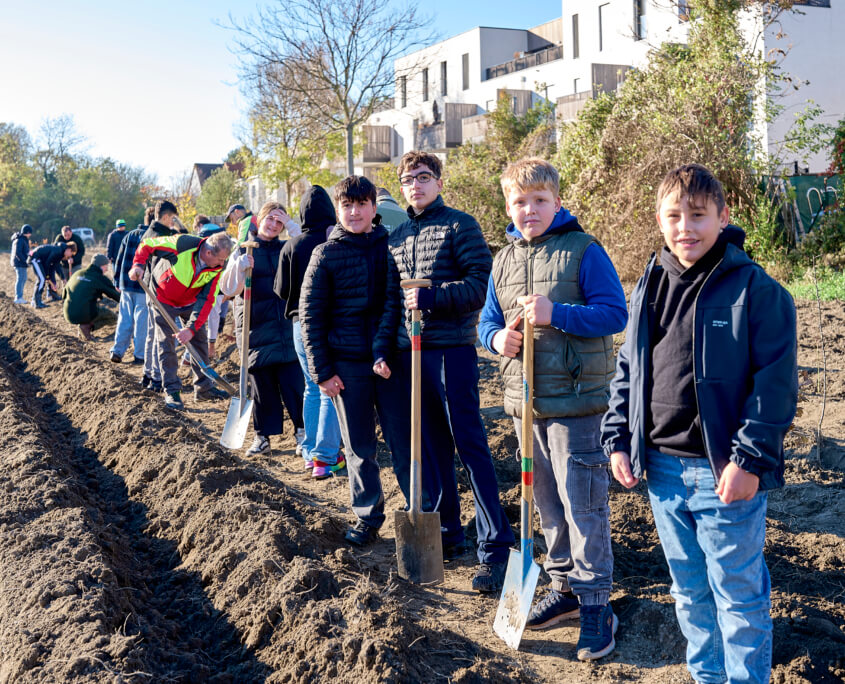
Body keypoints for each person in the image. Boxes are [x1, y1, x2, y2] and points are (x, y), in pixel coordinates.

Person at [602, 164, 798, 683]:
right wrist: (619, 437)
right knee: (688, 591)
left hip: (724, 472)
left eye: (698, 215)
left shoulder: (756, 290)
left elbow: (774, 386)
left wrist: (749, 459)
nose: (685, 227)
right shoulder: (650, 281)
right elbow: (630, 366)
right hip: (661, 472)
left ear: (723, 217)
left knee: (737, 595)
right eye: (674, 216)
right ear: (659, 221)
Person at [478, 158, 628, 660]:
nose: (529, 210)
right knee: (546, 507)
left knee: (584, 508)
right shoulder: (502, 259)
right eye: (519, 202)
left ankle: (596, 606)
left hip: (578, 407)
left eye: (539, 200)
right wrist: (498, 338)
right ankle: (563, 590)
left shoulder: (583, 251)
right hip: (527, 408)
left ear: (557, 202)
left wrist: (555, 313)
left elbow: (614, 312)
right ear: (508, 206)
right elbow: (486, 324)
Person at [379, 150, 514, 592]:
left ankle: (494, 547)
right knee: (433, 449)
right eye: (407, 179)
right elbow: (390, 300)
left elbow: (480, 285)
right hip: (412, 354)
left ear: (438, 181)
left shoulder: (460, 225)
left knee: (470, 445)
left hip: (451, 352)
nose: (414, 185)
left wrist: (433, 295)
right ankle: (449, 532)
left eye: (423, 177)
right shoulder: (395, 236)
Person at [300, 175, 395, 543]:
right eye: (347, 206)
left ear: (374, 207)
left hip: (391, 362)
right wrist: (322, 371)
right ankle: (368, 518)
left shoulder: (391, 246)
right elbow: (310, 317)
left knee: (402, 443)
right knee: (359, 447)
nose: (354, 212)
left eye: (361, 204)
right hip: (347, 366)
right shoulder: (325, 254)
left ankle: (421, 512)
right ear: (338, 211)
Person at [220, 202, 307, 459]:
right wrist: (240, 266)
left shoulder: (286, 249)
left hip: (284, 328)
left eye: (279, 222)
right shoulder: (243, 251)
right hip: (254, 330)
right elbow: (228, 289)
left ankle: (302, 433)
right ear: (259, 220)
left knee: (294, 385)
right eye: (270, 219)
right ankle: (262, 438)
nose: (273, 225)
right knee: (262, 388)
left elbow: (309, 246)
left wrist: (292, 224)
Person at [274, 185, 344, 472]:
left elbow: (280, 290)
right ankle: (325, 457)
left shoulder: (291, 246)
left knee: (311, 388)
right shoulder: (335, 242)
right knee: (331, 386)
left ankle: (309, 451)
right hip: (330, 321)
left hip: (299, 323)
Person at [129, 230, 232, 410]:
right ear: (208, 253)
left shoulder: (217, 267)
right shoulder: (182, 244)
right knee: (166, 343)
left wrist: (190, 329)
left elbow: (207, 299)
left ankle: (203, 388)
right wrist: (138, 265)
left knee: (199, 340)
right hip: (162, 298)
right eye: (220, 260)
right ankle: (172, 390)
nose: (222, 264)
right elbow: (147, 245)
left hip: (190, 301)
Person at [139, 202, 178, 392]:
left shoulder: (149, 232)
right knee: (158, 335)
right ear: (164, 217)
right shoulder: (160, 236)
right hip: (157, 290)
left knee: (151, 333)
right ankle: (156, 376)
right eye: (172, 219)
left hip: (149, 287)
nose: (173, 222)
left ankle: (147, 373)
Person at [109, 219, 149, 364]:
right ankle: (139, 355)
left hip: (126, 284)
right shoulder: (153, 237)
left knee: (124, 318)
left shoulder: (129, 235)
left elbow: (119, 259)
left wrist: (116, 280)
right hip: (143, 286)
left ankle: (117, 351)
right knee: (141, 321)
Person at [62, 254, 120, 340]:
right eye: (106, 266)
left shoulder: (77, 273)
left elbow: (64, 294)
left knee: (89, 305)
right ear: (101, 266)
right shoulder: (100, 278)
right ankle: (85, 326)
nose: (107, 269)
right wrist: (127, 300)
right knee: (114, 317)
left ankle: (83, 326)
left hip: (67, 313)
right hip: (83, 313)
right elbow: (115, 295)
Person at [29, 241, 76, 308]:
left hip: (39, 260)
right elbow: (47, 263)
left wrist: (63, 279)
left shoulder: (60, 252)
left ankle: (35, 301)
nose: (70, 256)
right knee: (42, 279)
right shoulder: (58, 251)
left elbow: (56, 267)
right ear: (69, 250)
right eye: (71, 253)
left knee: (42, 279)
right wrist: (47, 277)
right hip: (35, 258)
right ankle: (37, 302)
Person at [10, 224, 33, 304]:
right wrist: (25, 261)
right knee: (20, 279)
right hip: (19, 263)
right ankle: (18, 297)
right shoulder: (19, 239)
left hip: (21, 262)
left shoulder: (24, 239)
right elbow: (18, 253)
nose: (30, 234)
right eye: (30, 232)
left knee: (24, 278)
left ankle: (20, 297)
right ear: (27, 232)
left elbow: (25, 250)